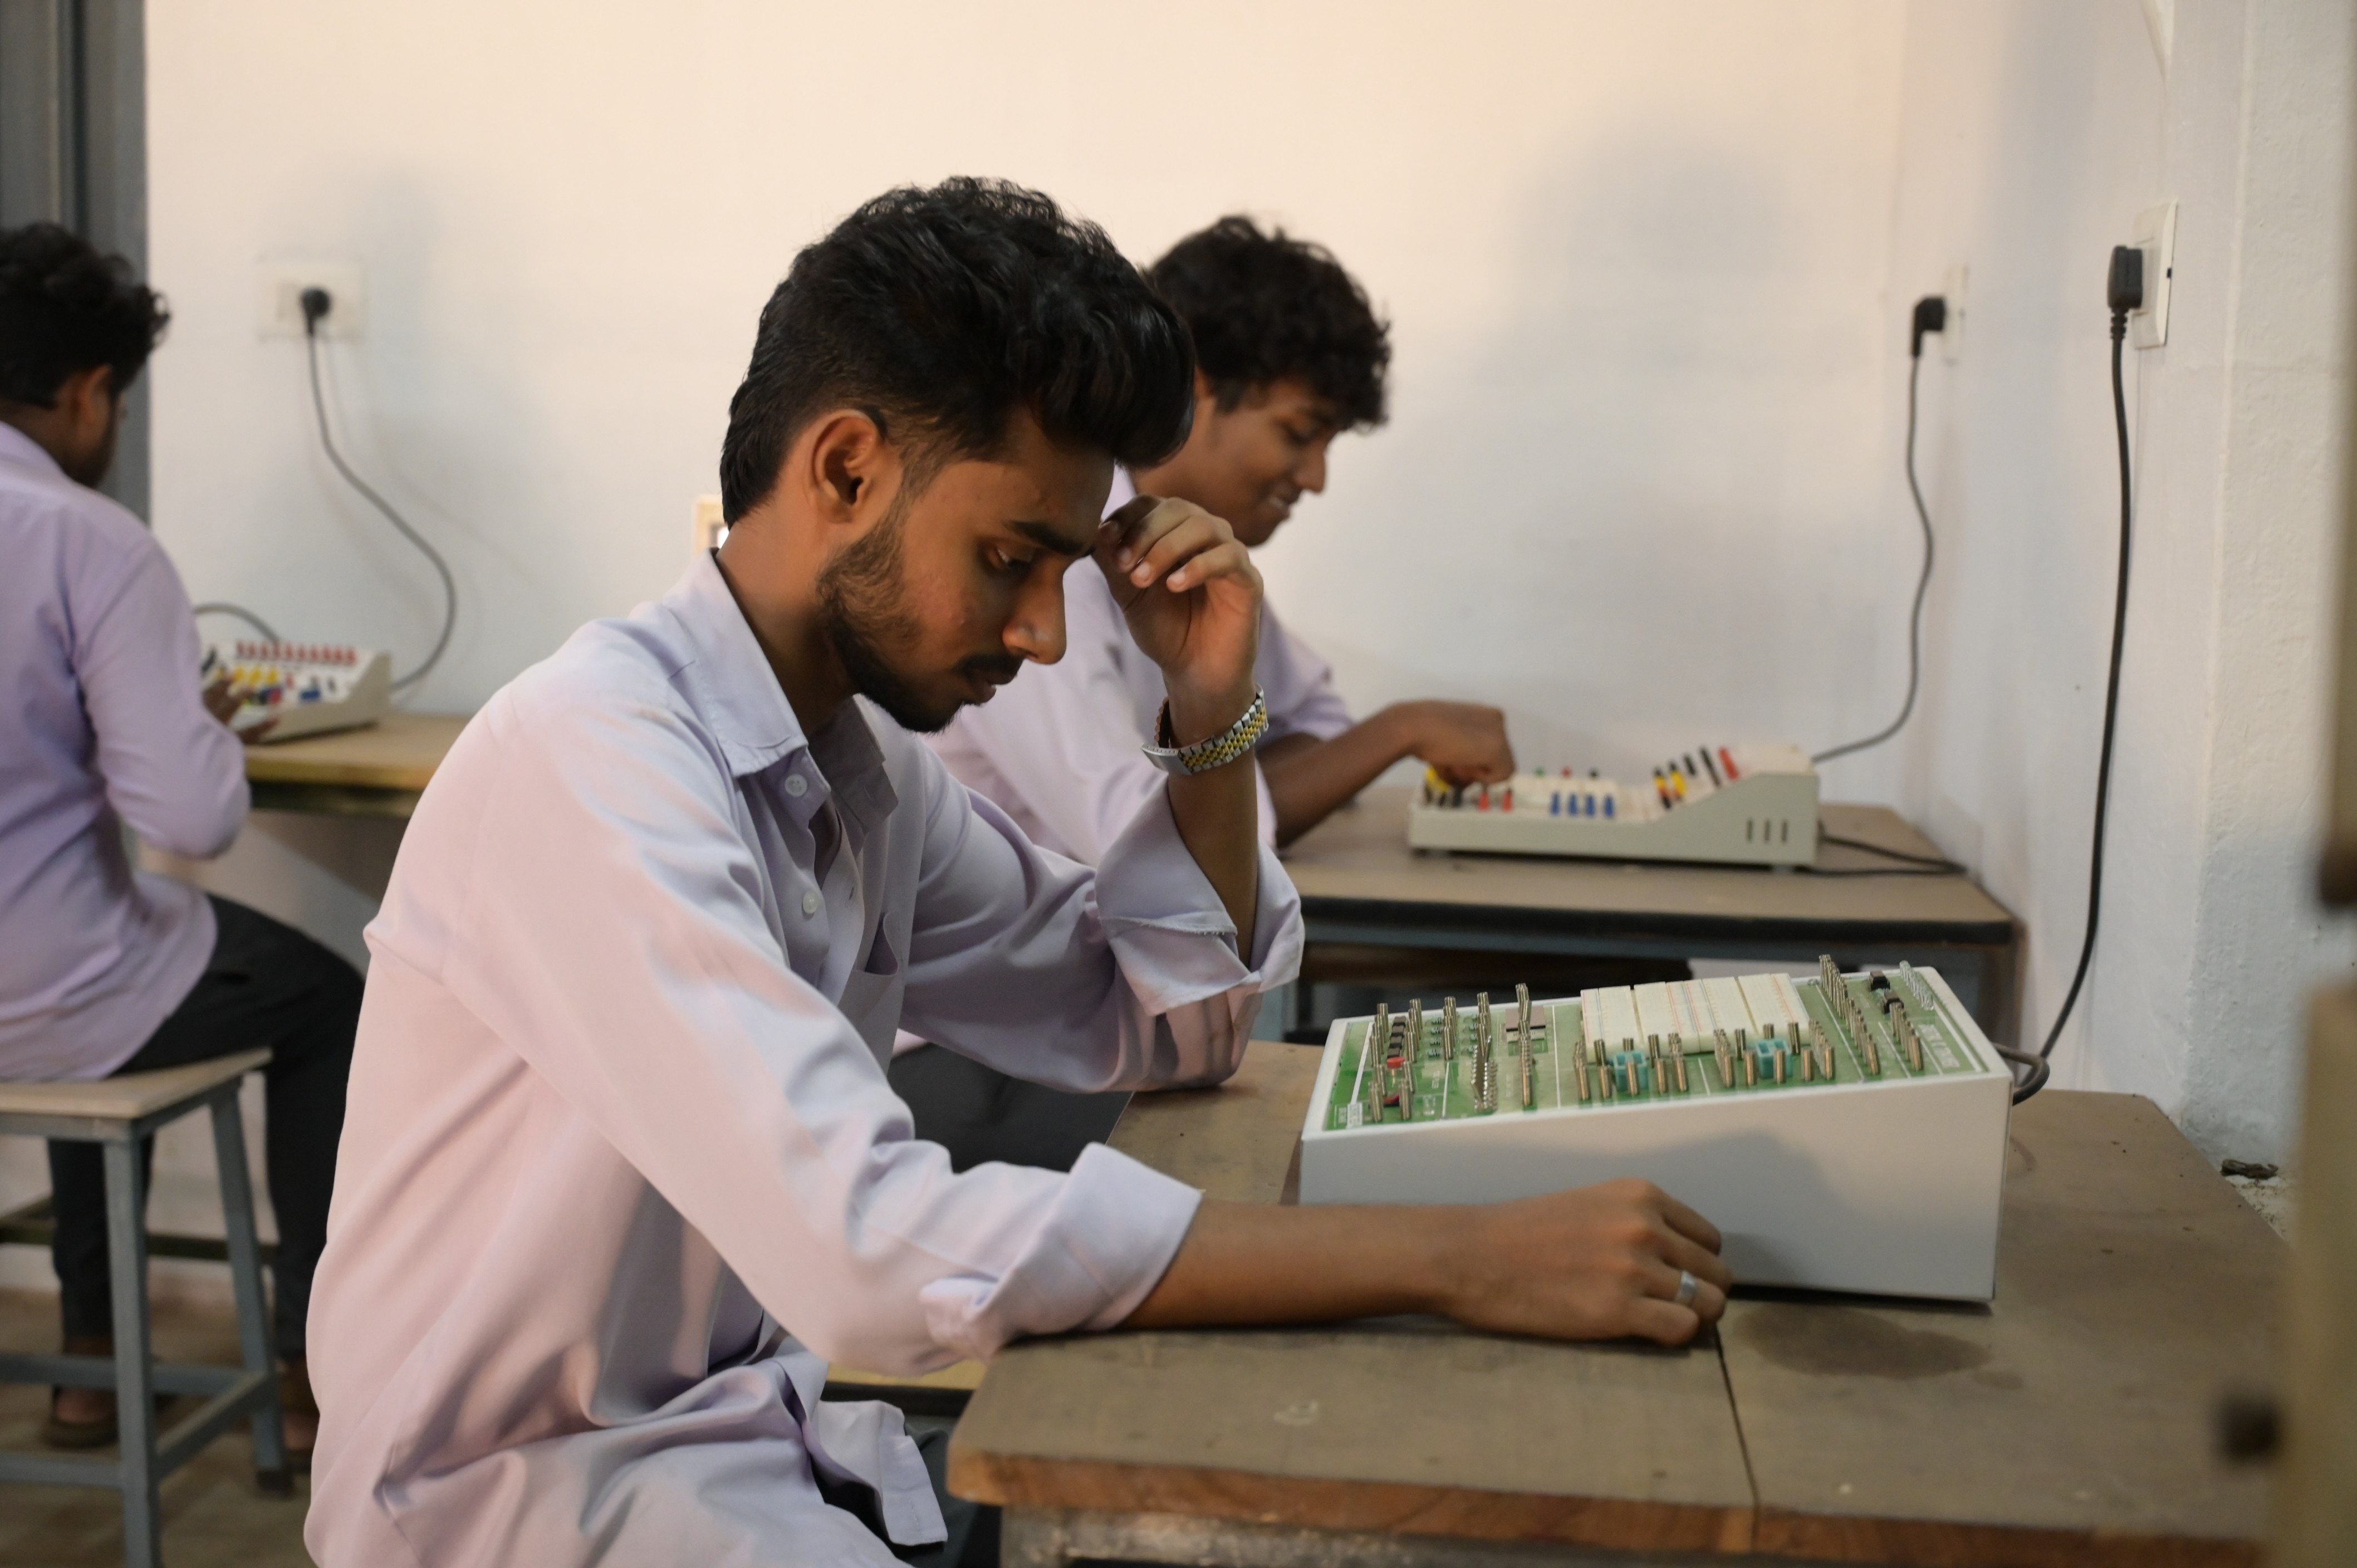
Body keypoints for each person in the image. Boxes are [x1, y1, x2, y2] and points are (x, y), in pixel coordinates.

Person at [301, 179, 1730, 1568]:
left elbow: (1168, 1023)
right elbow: (868, 1249)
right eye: (1008, 558)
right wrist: (1455, 1257)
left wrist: (1208, 715)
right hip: (509, 1498)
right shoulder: (591, 758)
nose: (1045, 634)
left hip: (724, 1443)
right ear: (846, 471)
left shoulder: (860, 765)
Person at [0, 222, 360, 1457]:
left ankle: (91, 1369)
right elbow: (192, 821)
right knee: (323, 997)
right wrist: (187, 728)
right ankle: (315, 1376)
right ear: (91, 392)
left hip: (41, 987)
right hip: (46, 994)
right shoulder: (90, 543)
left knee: (121, 969)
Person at [925, 216, 1516, 866]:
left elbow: (1315, 723)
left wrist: (1224, 776)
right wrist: (1399, 730)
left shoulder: (1189, 552)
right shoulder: (1052, 560)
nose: (1316, 478)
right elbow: (1143, 844)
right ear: (1196, 384)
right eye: (1298, 433)